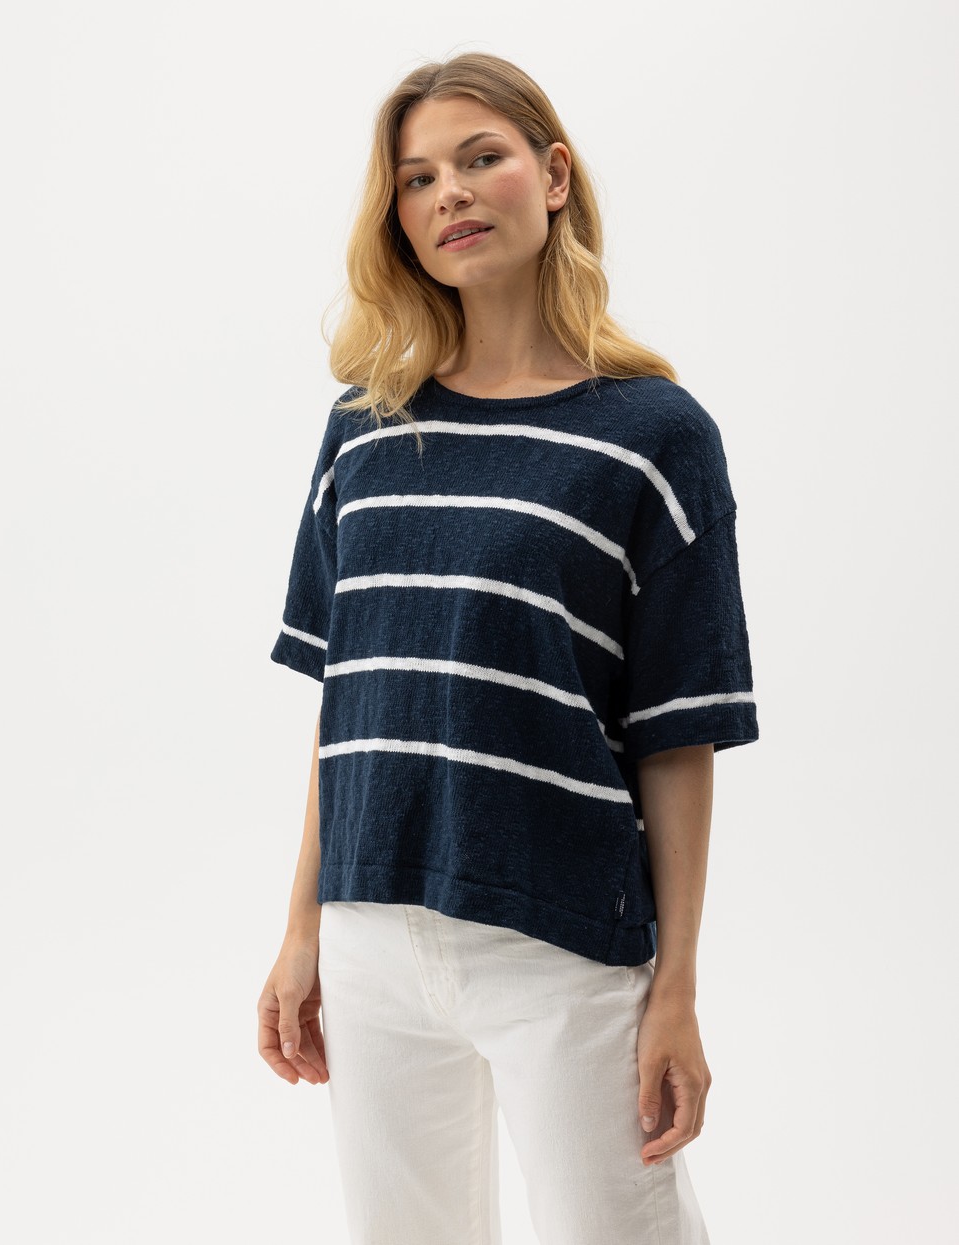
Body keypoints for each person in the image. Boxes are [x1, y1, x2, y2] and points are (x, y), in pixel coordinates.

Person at [257, 51, 759, 1245]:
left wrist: (676, 988)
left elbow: (677, 734)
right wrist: (302, 930)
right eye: (417, 177)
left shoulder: (654, 437)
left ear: (554, 175)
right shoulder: (363, 431)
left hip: (560, 934)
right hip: (371, 929)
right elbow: (345, 698)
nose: (452, 193)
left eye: (481, 158)